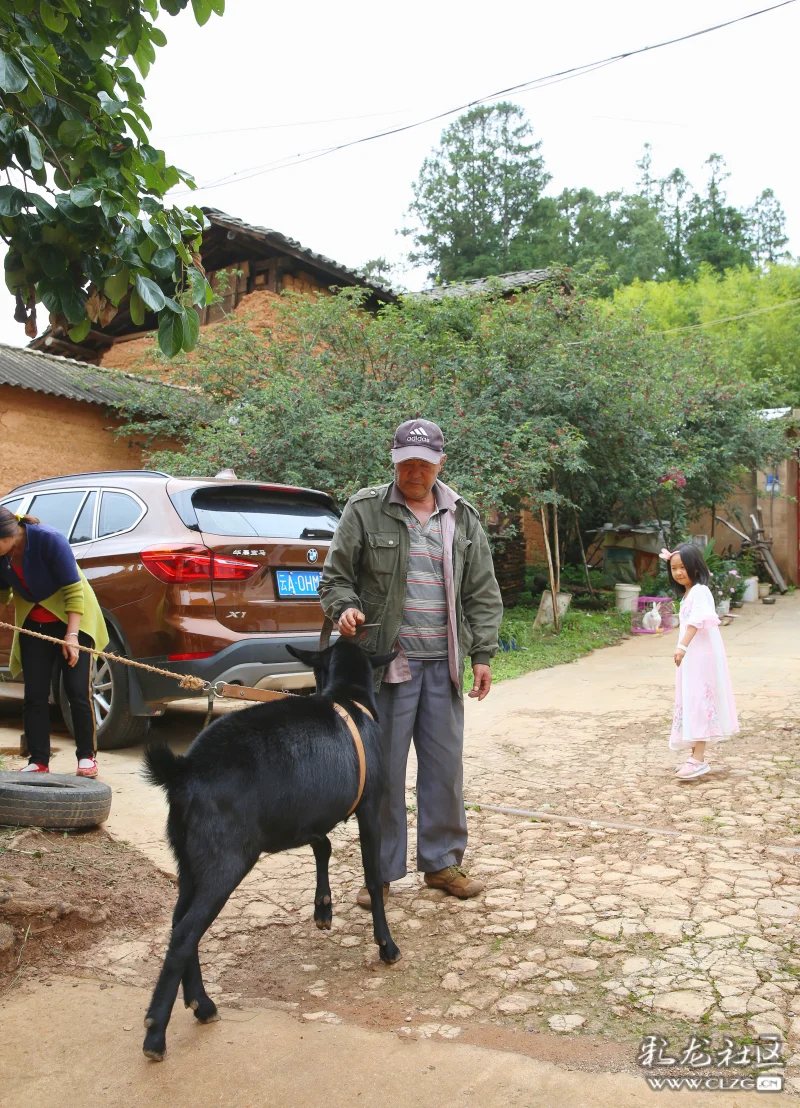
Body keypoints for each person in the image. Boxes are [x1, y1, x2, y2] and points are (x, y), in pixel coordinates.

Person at [319, 418, 504, 905]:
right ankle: (379, 871)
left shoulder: (462, 517)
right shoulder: (365, 509)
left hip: (443, 665)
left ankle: (443, 864)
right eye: (406, 463)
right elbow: (334, 578)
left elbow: (482, 591)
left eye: (424, 463)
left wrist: (482, 652)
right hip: (387, 667)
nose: (414, 472)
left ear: (441, 462)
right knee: (383, 773)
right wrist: (345, 608)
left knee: (444, 769)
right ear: (394, 461)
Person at [0, 507, 109, 776]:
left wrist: (71, 636)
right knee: (35, 694)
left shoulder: (49, 539)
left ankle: (86, 757)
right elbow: (3, 595)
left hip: (72, 619)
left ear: (9, 533)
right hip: (34, 625)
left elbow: (73, 590)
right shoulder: (2, 556)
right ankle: (38, 761)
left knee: (76, 690)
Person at [664, 544, 739, 780]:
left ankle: (698, 759)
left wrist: (682, 646)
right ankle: (696, 756)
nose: (678, 572)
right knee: (693, 701)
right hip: (692, 658)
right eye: (674, 568)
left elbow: (696, 622)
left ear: (695, 567)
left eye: (683, 567)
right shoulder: (689, 594)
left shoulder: (700, 591)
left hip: (700, 656)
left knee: (699, 701)